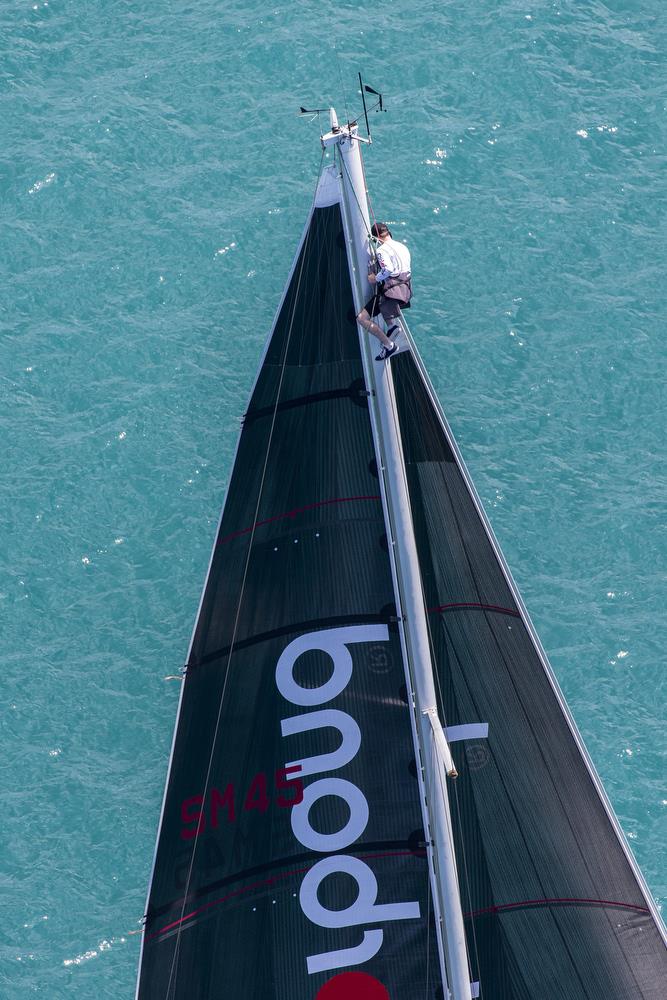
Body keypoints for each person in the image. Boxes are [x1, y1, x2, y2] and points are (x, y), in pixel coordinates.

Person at [356, 221, 412, 360]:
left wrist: (374, 278)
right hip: (405, 289)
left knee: (362, 318)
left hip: (392, 292)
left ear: (376, 238)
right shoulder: (402, 246)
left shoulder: (381, 250)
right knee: (382, 301)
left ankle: (389, 346)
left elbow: (388, 270)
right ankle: (392, 326)